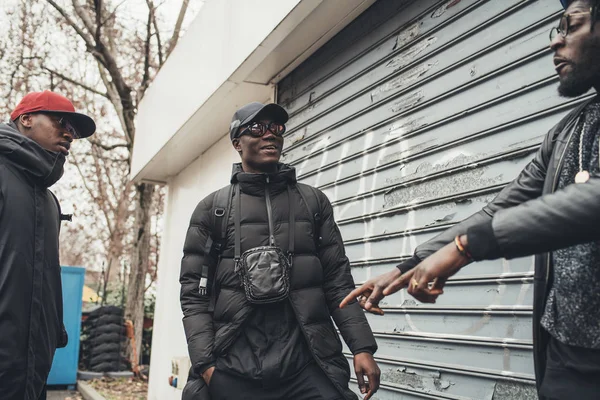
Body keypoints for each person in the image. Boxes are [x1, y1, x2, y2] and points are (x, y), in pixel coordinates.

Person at [340, 1, 600, 399]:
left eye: (572, 25)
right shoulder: (569, 133)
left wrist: (467, 248)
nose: (556, 42)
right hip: (568, 357)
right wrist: (407, 266)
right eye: (556, 29)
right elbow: (502, 207)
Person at [180, 102, 380, 400]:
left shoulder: (313, 204)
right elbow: (194, 295)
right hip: (234, 365)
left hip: (305, 361)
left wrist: (362, 347)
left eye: (277, 128)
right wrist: (207, 366)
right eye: (257, 129)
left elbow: (337, 281)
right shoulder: (213, 210)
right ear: (237, 143)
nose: (270, 135)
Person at [0, 91, 96, 400]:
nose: (70, 133)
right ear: (26, 119)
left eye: (75, 131)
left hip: (33, 368)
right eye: (62, 122)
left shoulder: (47, 200)